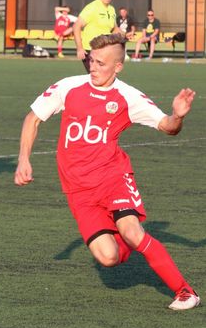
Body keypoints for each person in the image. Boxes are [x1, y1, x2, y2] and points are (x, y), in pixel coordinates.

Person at [14, 33, 199, 310]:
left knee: (132, 232)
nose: (93, 67)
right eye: (91, 60)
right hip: (78, 189)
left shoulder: (128, 96)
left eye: (101, 63)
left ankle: (184, 291)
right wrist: (23, 159)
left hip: (113, 178)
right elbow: (33, 119)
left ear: (118, 66)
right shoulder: (68, 87)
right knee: (108, 257)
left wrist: (177, 116)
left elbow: (167, 127)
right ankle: (125, 236)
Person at [73, 0, 120, 72]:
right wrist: (80, 48)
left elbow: (114, 29)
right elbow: (76, 26)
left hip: (105, 50)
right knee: (98, 77)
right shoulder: (92, 7)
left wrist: (125, 35)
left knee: (107, 77)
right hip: (91, 51)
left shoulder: (111, 9)